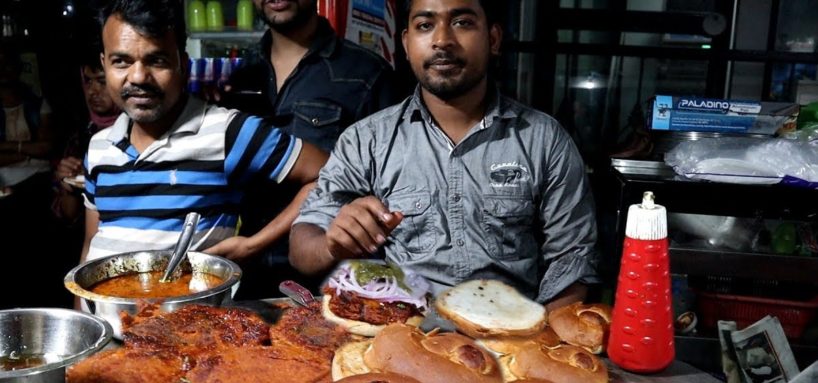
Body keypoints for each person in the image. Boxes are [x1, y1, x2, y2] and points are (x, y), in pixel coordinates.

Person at [290, 0, 599, 309]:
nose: (442, 40)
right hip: (404, 339)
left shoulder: (544, 140)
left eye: (462, 22)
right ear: (407, 43)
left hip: (510, 341)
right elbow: (302, 249)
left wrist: (541, 345)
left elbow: (573, 261)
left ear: (493, 39)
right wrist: (333, 243)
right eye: (425, 25)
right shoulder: (366, 141)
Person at [80, 0, 327, 271]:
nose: (138, 76)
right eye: (121, 61)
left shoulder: (226, 132)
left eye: (157, 60)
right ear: (104, 65)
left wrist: (253, 244)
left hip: (189, 312)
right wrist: (82, 311)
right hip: (101, 311)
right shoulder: (98, 147)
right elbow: (92, 242)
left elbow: (326, 173)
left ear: (182, 65)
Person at [220, 0, 398, 298]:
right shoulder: (240, 76)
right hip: (249, 274)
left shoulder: (367, 74)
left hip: (333, 278)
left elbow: (393, 187)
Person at [0, 43, 57, 308]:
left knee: (36, 247)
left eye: (9, 64)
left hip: (37, 183)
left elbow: (46, 148)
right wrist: (28, 150)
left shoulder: (36, 101)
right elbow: (38, 148)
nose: (4, 70)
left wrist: (10, 148)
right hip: (4, 185)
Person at [53, 51, 121, 225]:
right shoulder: (81, 136)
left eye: (101, 82)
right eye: (88, 81)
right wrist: (68, 184)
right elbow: (69, 214)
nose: (92, 91)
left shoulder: (139, 132)